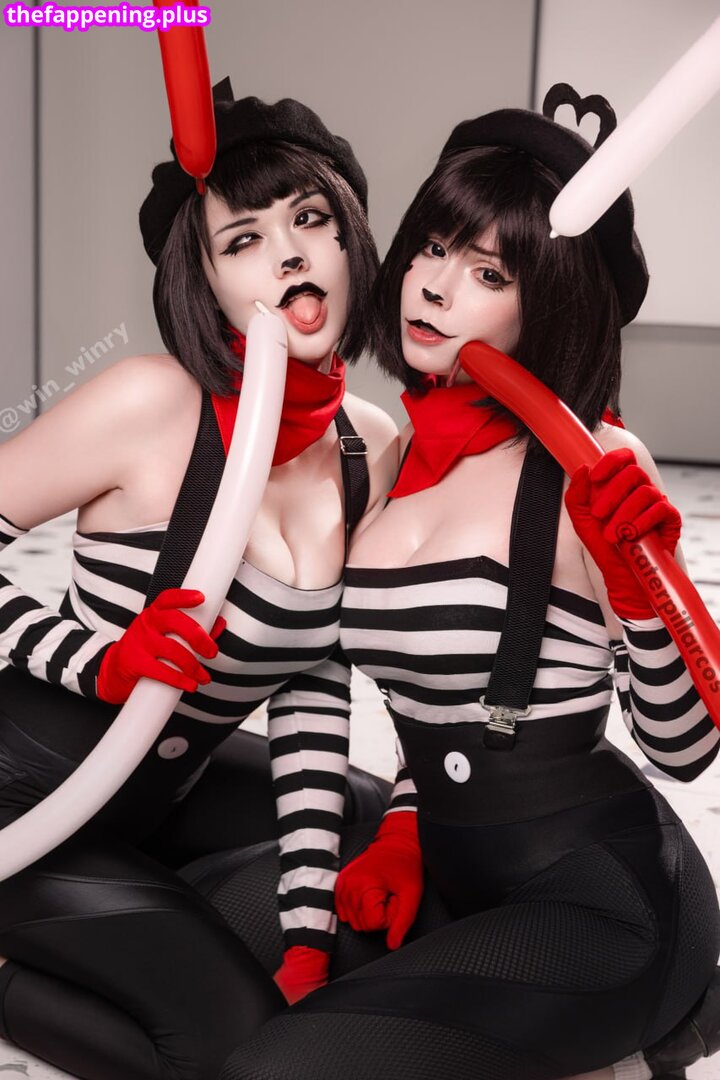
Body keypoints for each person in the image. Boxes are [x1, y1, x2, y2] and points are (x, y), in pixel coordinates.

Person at [217, 87, 720, 1080]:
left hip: (595, 896)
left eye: (488, 272)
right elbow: (438, 700)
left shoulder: (594, 461)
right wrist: (402, 831)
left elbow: (685, 745)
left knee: (275, 1069)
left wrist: (639, 594)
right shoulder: (390, 457)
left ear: (549, 303)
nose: (436, 287)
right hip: (449, 867)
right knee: (204, 964)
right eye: (434, 247)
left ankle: (656, 1017)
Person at [0, 77, 397, 1080]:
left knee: (368, 819)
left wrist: (306, 933)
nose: (290, 254)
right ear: (205, 281)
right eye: (244, 239)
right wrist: (96, 662)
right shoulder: (148, 403)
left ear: (351, 240)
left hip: (155, 793)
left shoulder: (368, 447)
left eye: (311, 219)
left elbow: (314, 681)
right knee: (235, 1041)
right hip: (24, 799)